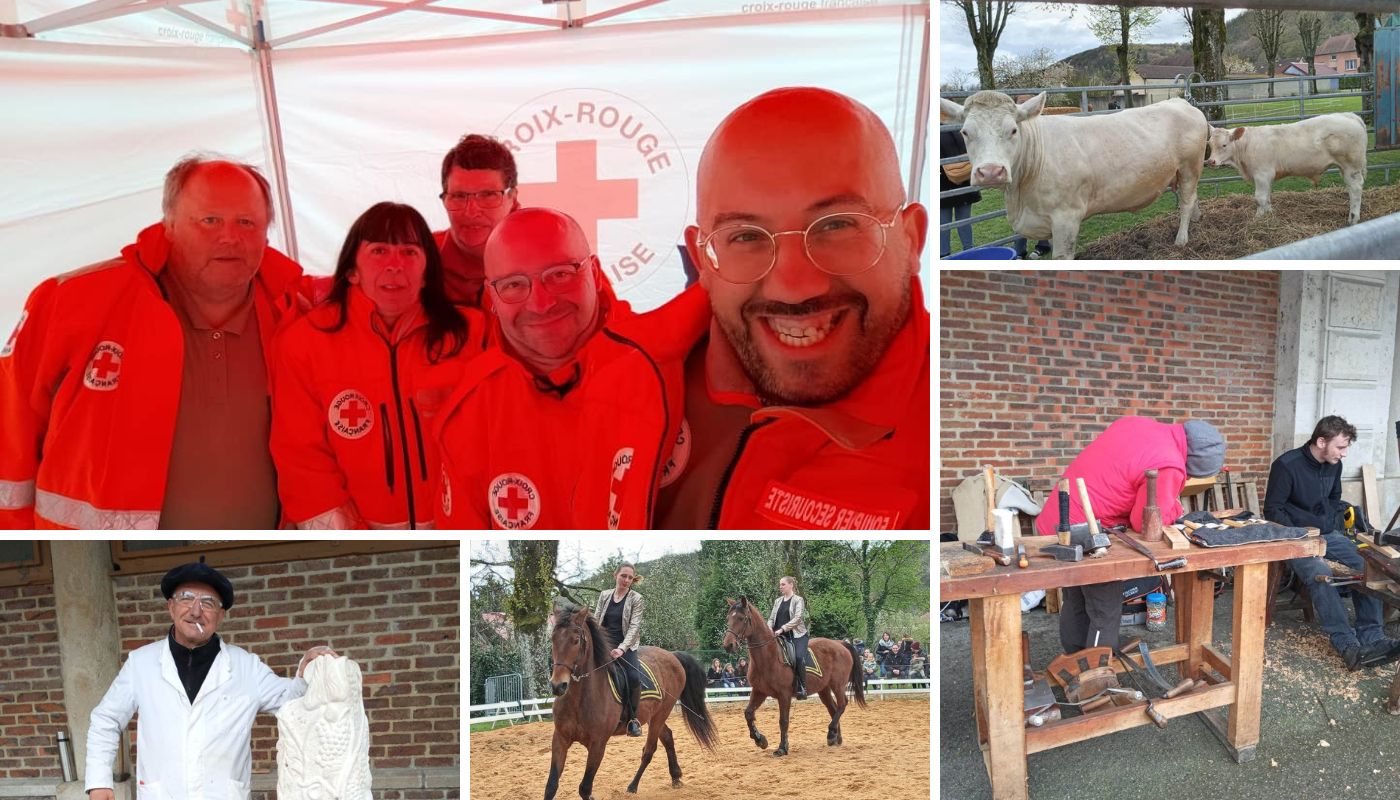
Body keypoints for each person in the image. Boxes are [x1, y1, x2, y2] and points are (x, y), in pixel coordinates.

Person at [656, 86, 930, 530]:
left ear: (910, 239)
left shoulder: (943, 426)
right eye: (745, 236)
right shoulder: (634, 380)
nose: (794, 288)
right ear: (703, 259)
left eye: (836, 225)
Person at [0, 156, 305, 529]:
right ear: (169, 225)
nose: (229, 237)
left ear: (266, 234)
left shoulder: (299, 315)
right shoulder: (70, 302)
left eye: (246, 222)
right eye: (209, 220)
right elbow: (9, 434)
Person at [434, 208, 698, 529]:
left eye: (560, 274)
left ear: (595, 273)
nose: (541, 304)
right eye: (514, 285)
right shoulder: (470, 412)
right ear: (492, 296)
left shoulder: (673, 367)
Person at [270, 202, 485, 529]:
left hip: (455, 527)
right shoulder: (304, 343)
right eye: (379, 251)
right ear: (351, 271)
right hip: (360, 535)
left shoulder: (472, 334)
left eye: (410, 252)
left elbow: (491, 439)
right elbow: (301, 459)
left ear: (427, 273)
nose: (395, 265)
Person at [85, 562, 335, 799]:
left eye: (208, 602)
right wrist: (98, 781)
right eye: (186, 598)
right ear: (171, 607)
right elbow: (106, 719)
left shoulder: (245, 667)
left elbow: (292, 702)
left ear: (220, 615)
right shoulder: (141, 663)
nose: (196, 611)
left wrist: (307, 671)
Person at [1036, 416, 1226, 654]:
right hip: (1084, 530)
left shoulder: (1139, 424)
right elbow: (1144, 522)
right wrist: (1175, 509)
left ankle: (1075, 657)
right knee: (1104, 607)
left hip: (1059, 516)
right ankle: (1096, 668)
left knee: (1077, 597)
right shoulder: (1170, 463)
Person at [1264, 415, 1400, 670]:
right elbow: (1272, 510)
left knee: (1367, 563)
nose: (1344, 453)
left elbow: (1334, 499)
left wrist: (1326, 522)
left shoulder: (1334, 464)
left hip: (1328, 533)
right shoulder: (1286, 465)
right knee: (1320, 574)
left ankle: (1373, 637)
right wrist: (1301, 533)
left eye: (1346, 447)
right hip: (1294, 537)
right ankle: (1348, 645)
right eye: (1340, 447)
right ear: (1321, 441)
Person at [435, 134, 521, 307]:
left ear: (512, 198)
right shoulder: (417, 262)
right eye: (459, 196)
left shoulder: (549, 259)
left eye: (487, 195)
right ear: (444, 200)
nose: (471, 212)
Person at [591, 563, 645, 736]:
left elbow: (634, 627)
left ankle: (632, 720)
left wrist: (621, 649)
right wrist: (595, 642)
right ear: (615, 575)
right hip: (604, 644)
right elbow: (596, 620)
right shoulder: (604, 595)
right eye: (623, 576)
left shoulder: (636, 598)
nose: (626, 580)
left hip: (625, 646)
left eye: (630, 577)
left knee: (634, 677)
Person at [939, 126, 980, 257]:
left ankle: (965, 253)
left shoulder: (959, 125)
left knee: (958, 222)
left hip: (960, 182)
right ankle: (947, 255)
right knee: (945, 223)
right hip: (945, 184)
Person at [769, 575, 810, 699]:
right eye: (780, 584)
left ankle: (802, 687)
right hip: (778, 635)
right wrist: (769, 629)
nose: (780, 587)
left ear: (791, 585)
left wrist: (782, 629)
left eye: (783, 584)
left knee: (798, 657)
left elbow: (797, 618)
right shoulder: (777, 601)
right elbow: (771, 618)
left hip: (796, 635)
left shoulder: (798, 600)